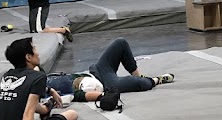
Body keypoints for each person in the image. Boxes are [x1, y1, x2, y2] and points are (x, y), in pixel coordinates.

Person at [39, 37, 175, 108]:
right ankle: (155, 80)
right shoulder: (46, 95)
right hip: (103, 85)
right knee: (140, 84)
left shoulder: (41, 77)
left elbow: (36, 71)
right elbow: (78, 96)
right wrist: (103, 95)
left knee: (120, 43)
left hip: (96, 71)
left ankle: (138, 74)